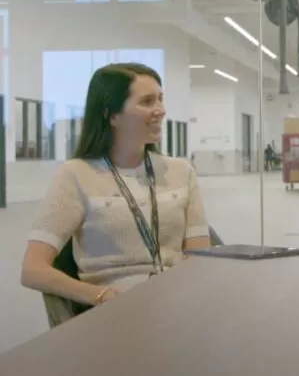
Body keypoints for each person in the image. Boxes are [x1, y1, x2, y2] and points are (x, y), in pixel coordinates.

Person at [21, 63, 211, 309]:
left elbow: (201, 256)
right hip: (114, 308)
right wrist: (100, 295)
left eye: (160, 99)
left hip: (175, 301)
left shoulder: (181, 172)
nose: (161, 110)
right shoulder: (76, 174)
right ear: (111, 115)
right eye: (147, 101)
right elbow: (32, 270)